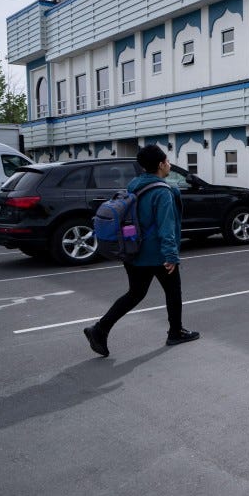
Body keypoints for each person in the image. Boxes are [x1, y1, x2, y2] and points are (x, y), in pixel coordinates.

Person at [84, 145, 200, 356]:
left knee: (135, 293)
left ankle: (100, 329)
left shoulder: (134, 185)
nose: (169, 164)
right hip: (156, 254)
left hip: (133, 249)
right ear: (161, 165)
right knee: (173, 291)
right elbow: (166, 227)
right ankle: (175, 332)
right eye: (167, 161)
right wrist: (171, 255)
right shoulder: (162, 192)